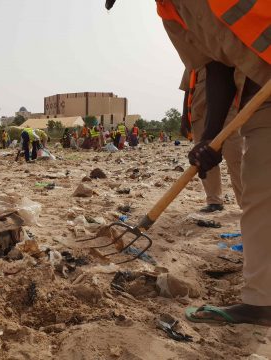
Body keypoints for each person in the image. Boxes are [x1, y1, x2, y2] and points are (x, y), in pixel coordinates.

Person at [106, 0, 271, 326]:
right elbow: (216, 66)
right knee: (259, 194)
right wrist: (209, 139)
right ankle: (262, 301)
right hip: (259, 91)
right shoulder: (171, 12)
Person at [180, 67, 243, 212]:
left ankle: (246, 202)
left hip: (228, 112)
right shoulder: (192, 59)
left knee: (236, 156)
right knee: (205, 158)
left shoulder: (223, 49)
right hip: (199, 113)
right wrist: (185, 117)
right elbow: (187, 90)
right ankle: (214, 201)